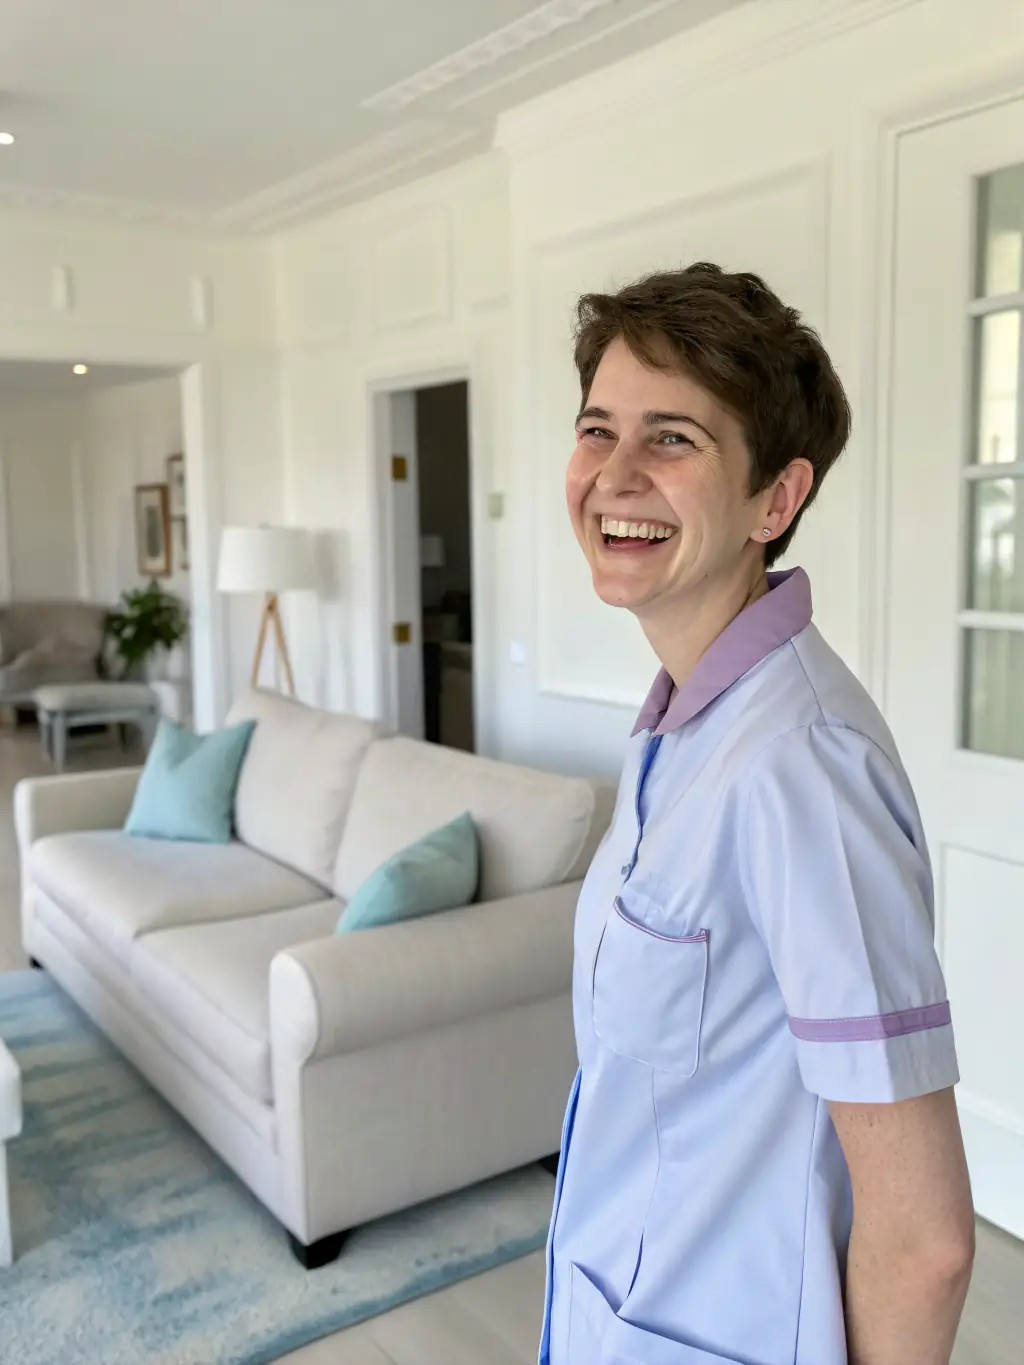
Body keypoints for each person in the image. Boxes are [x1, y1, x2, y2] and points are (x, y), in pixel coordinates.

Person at [540, 264, 976, 1365]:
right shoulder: (681, 727)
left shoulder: (803, 767)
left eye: (673, 439)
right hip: (611, 1312)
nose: (613, 475)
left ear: (774, 500)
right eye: (598, 429)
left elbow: (924, 1239)